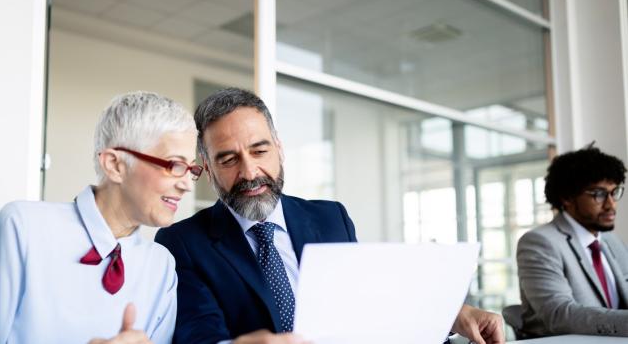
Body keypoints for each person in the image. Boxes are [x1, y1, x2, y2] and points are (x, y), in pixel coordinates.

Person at [155, 87, 504, 344]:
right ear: (208, 169)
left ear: (280, 149)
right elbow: (198, 335)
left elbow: (371, 301)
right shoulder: (181, 243)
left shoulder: (330, 217)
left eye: (260, 150)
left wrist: (449, 314)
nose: (249, 172)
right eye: (228, 159)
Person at [0, 91, 203, 344]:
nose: (187, 186)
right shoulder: (23, 227)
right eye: (174, 165)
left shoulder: (161, 265)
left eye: (191, 169)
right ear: (115, 165)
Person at [517, 146, 628, 337]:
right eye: (599, 194)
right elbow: (559, 315)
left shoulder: (610, 240)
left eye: (614, 192)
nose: (611, 204)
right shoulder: (539, 243)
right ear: (567, 197)